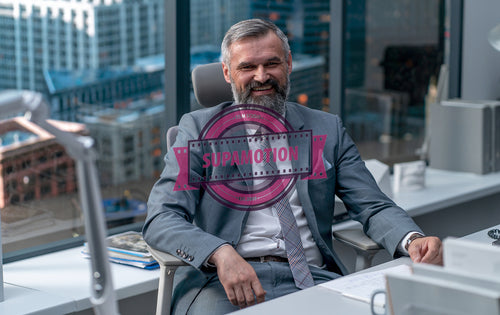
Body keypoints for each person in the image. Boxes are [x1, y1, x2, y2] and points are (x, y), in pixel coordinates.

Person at [143, 18, 443, 314]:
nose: (261, 76)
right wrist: (219, 253)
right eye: (247, 67)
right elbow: (161, 217)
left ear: (288, 64)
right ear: (227, 73)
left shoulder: (327, 128)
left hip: (313, 278)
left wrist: (412, 239)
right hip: (224, 285)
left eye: (271, 64)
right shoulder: (198, 130)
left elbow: (372, 205)